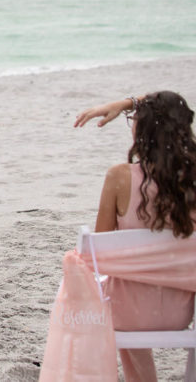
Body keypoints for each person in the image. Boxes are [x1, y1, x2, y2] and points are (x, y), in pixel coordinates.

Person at [76, 91, 196, 381]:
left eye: (134, 118)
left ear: (143, 129)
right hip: (181, 313)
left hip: (128, 314)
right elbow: (170, 102)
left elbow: (99, 254)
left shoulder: (119, 177)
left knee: (118, 293)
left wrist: (125, 103)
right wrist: (126, 104)